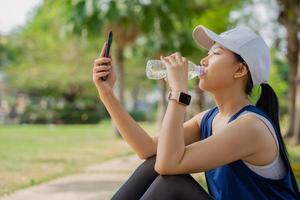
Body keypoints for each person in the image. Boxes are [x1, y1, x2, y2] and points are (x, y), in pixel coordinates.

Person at [92, 25, 300, 200]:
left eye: (216, 53)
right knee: (153, 165)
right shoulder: (208, 119)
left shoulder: (251, 126)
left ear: (240, 70)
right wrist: (107, 94)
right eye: (207, 53)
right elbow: (147, 149)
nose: (203, 60)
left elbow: (169, 164)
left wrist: (179, 94)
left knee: (171, 184)